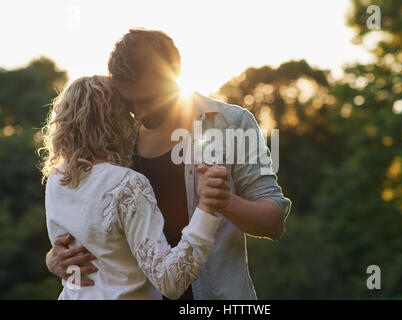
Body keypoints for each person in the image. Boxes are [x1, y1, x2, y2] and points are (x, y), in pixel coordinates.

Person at [46, 28, 291, 300]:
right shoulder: (118, 138)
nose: (139, 113)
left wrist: (223, 201)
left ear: (174, 73)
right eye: (129, 102)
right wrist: (55, 258)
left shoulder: (232, 124)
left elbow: (274, 222)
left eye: (148, 99)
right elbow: (94, 226)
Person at [42, 75, 225, 299]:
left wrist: (51, 260)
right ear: (115, 120)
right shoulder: (126, 183)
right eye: (127, 111)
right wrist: (206, 206)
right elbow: (170, 281)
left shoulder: (56, 180)